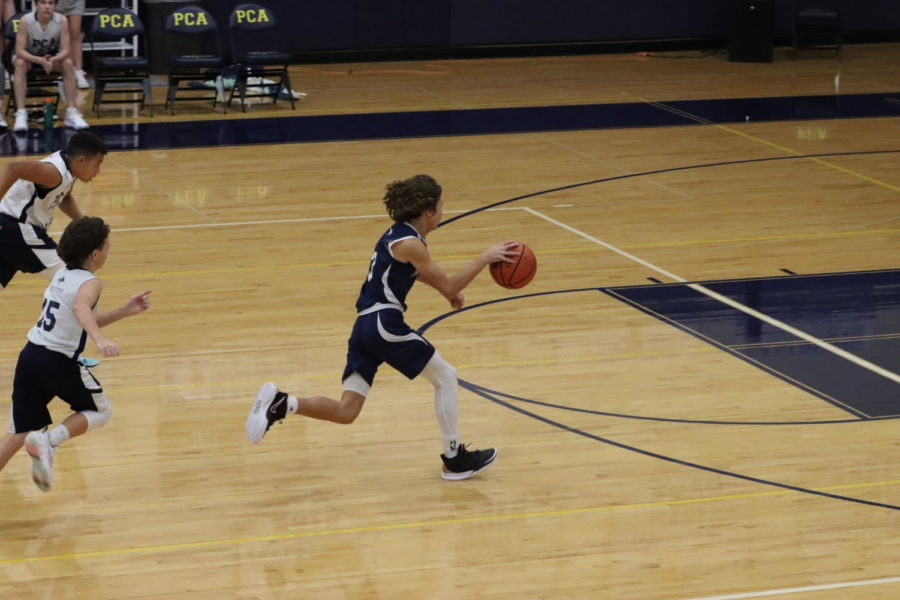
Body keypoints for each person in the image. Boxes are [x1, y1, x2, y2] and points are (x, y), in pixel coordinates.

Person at [245, 174, 518, 480]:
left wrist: (450, 293)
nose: (444, 213)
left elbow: (419, 276)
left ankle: (283, 404)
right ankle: (454, 457)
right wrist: (484, 258)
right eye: (442, 207)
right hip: (383, 323)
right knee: (446, 377)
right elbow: (448, 281)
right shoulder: (412, 243)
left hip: (364, 327)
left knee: (347, 412)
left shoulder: (398, 236)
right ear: (428, 212)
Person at [0, 216, 151, 491]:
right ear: (95, 254)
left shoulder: (62, 273)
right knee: (101, 411)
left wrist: (125, 310)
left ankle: (43, 441)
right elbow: (81, 310)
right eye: (107, 247)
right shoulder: (92, 283)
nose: (108, 251)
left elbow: (79, 319)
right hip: (57, 363)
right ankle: (50, 441)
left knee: (17, 433)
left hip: (30, 356)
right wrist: (100, 339)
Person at [0, 130, 106, 293]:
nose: (98, 171)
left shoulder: (70, 170)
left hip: (8, 231)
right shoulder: (54, 173)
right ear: (82, 161)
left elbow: (64, 198)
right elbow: (14, 168)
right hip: (17, 229)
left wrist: (82, 221)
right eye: (97, 164)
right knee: (75, 277)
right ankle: (81, 318)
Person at [11, 0, 89, 132]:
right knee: (19, 63)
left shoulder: (62, 20)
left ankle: (72, 112)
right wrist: (40, 60)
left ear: (55, 6)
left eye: (51, 3)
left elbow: (66, 50)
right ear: (36, 5)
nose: (47, 6)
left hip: (50, 57)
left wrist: (53, 59)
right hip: (29, 57)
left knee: (68, 63)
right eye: (43, 3)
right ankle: (21, 112)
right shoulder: (26, 21)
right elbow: (19, 51)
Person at [55, 0, 88, 89]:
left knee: (75, 33)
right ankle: (69, 71)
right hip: (57, 2)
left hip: (75, 2)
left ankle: (79, 71)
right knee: (62, 34)